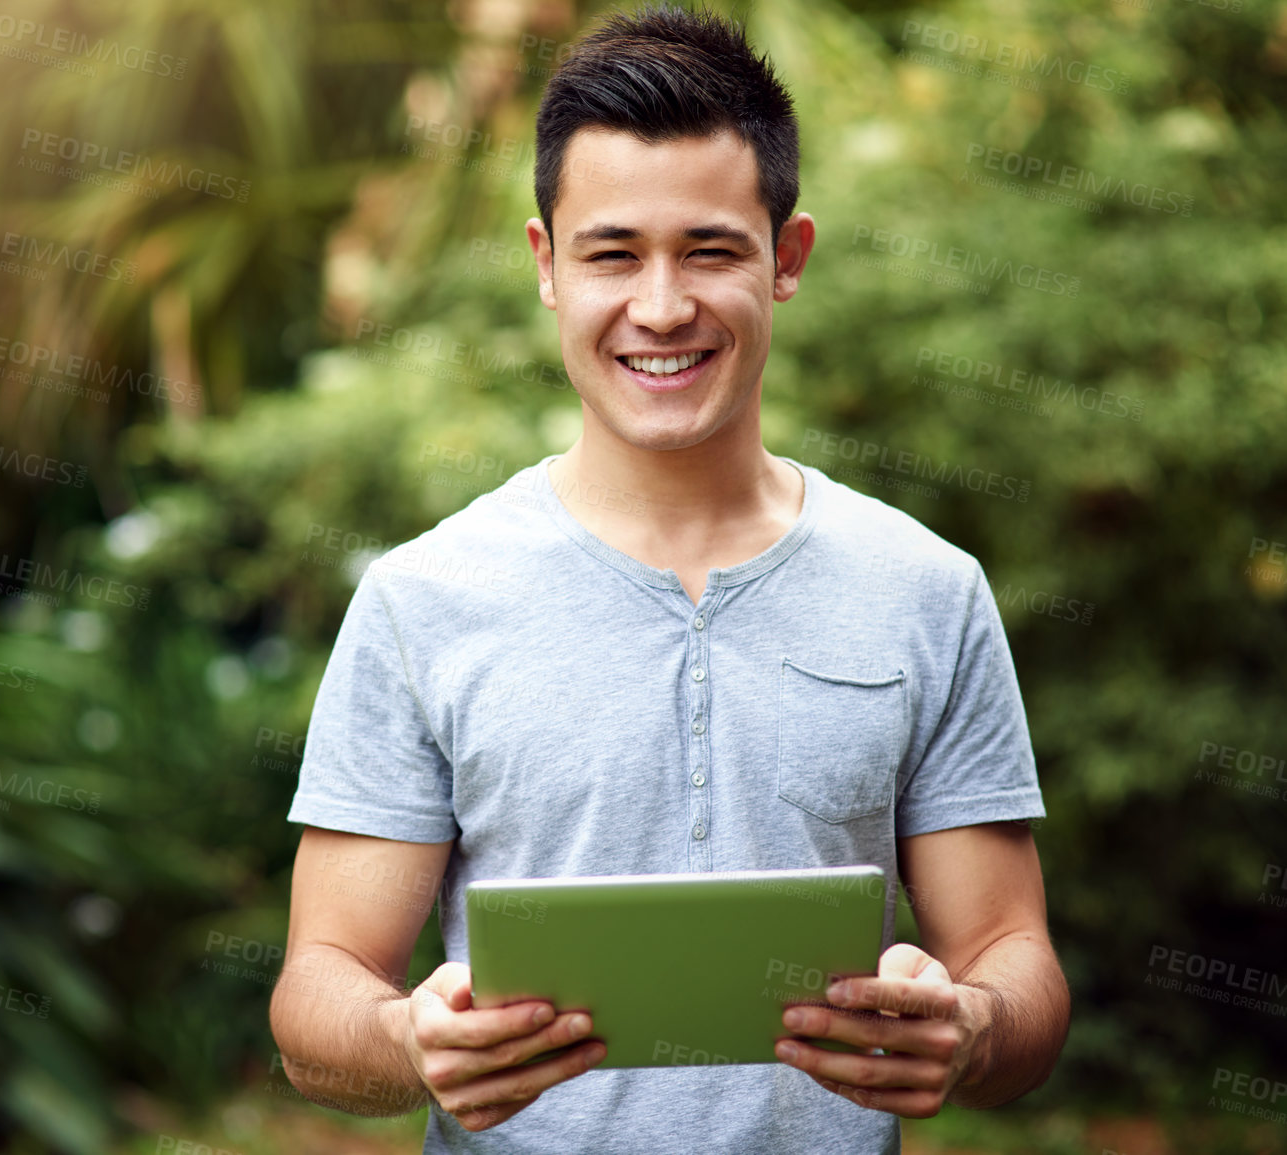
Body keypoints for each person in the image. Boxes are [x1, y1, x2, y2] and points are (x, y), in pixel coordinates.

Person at [268, 5, 1070, 1151]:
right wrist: (407, 1041)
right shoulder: (421, 600)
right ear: (547, 266)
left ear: (785, 260)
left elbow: (1015, 963)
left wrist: (976, 1026)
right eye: (612, 253)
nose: (660, 307)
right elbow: (318, 992)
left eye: (709, 249)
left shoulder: (926, 590)